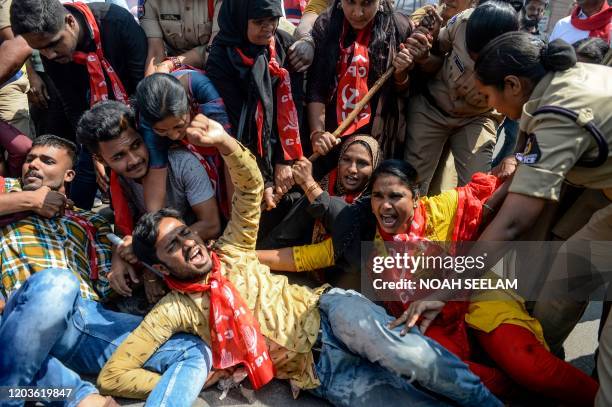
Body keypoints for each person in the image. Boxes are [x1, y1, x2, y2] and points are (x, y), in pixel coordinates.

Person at [97, 114, 501, 407]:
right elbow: (114, 375)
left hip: (329, 312)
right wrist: (191, 377)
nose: (189, 243)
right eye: (174, 246)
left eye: (185, 232)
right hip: (316, 372)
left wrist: (224, 142)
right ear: (164, 270)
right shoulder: (174, 310)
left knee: (414, 358)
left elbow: (251, 188)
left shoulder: (231, 249)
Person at [259, 158, 600, 404]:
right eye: (378, 197)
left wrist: (515, 160)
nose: (386, 206)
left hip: (476, 290)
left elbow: (497, 191)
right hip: (424, 314)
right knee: (445, 376)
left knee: (529, 364)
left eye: (396, 196)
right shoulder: (364, 231)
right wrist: (245, 256)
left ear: (416, 197)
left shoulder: (447, 206)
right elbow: (306, 256)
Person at [0, 135, 212, 407]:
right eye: (30, 159)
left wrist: (125, 258)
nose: (33, 165)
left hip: (82, 319)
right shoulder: (8, 190)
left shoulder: (90, 221)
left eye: (46, 160)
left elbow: (106, 283)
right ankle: (61, 398)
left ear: (69, 174)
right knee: (58, 283)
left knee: (193, 348)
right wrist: (30, 201)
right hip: (18, 310)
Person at [77, 100, 222, 304]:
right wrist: (120, 257)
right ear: (100, 160)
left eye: (136, 145)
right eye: (119, 156)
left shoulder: (182, 164)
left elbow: (211, 224)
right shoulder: (118, 182)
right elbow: (124, 229)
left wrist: (146, 260)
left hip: (193, 250)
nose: (134, 159)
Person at [10, 0, 148, 210]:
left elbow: (142, 86)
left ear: (70, 22)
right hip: (93, 120)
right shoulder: (51, 50)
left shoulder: (116, 22)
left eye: (54, 44)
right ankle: (79, 227)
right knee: (85, 175)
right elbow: (73, 106)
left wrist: (116, 147)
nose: (50, 55)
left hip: (137, 112)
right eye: (40, 51)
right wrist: (96, 152)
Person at [403, 1, 518, 195]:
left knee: (478, 187)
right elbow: (436, 52)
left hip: (477, 118)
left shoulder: (516, 55)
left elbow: (521, 110)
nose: (474, 57)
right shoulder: (462, 22)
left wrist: (514, 156)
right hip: (432, 108)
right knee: (412, 184)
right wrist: (424, 49)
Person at [206, 0, 306, 216]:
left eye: (273, 19)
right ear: (240, 19)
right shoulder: (221, 57)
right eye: (259, 21)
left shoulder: (284, 45)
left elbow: (295, 107)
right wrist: (266, 177)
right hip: (244, 151)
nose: (268, 28)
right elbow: (241, 120)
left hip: (288, 148)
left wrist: (284, 160)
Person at [307, 0, 427, 162]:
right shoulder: (326, 25)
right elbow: (316, 87)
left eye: (367, 3)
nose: (358, 13)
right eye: (350, 2)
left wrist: (401, 73)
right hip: (330, 133)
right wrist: (317, 133)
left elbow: (408, 91)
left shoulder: (399, 28)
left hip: (378, 132)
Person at [259, 135, 381, 256]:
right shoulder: (326, 183)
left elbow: (341, 219)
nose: (352, 169)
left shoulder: (373, 204)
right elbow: (287, 231)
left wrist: (308, 182)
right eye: (346, 159)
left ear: (374, 167)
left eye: (362, 163)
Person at [134, 72, 231, 216]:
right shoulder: (148, 119)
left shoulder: (203, 91)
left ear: (188, 106)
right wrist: (157, 228)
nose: (173, 136)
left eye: (178, 126)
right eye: (162, 130)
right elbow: (156, 178)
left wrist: (236, 219)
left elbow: (229, 153)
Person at [139, 0, 223, 76]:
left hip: (213, 67)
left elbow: (216, 48)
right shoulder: (150, 2)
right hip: (172, 72)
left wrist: (172, 63)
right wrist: (150, 85)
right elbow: (155, 52)